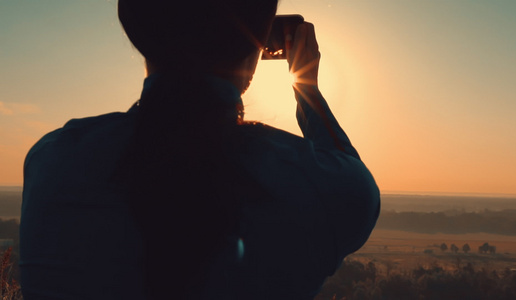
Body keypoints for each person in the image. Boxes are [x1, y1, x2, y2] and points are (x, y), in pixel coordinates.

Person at [19, 0, 380, 299]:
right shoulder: (322, 191)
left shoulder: (53, 162)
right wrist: (307, 86)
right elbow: (347, 174)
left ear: (134, 26)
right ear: (255, 45)